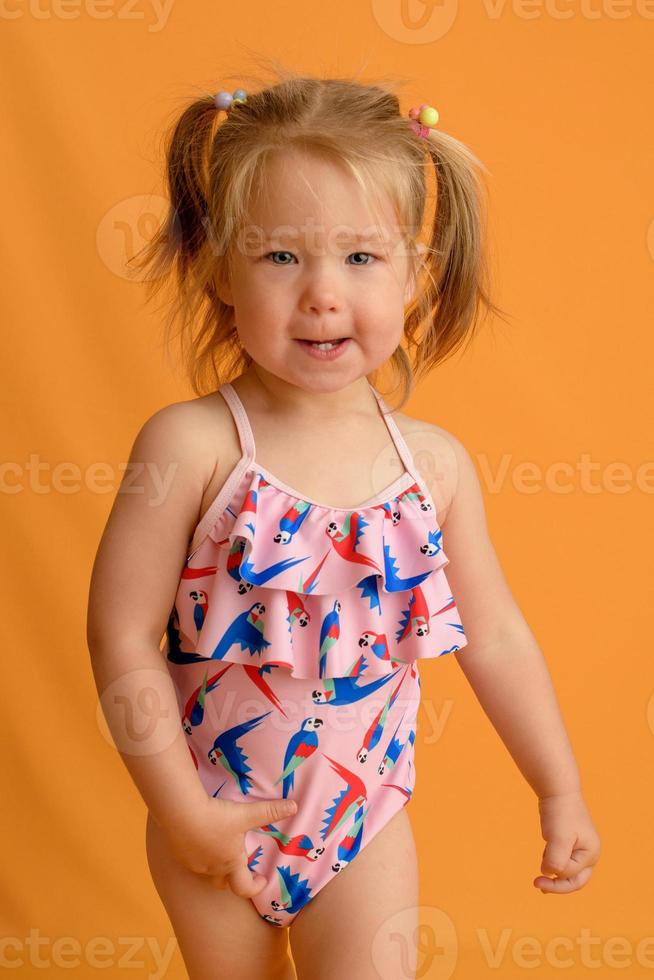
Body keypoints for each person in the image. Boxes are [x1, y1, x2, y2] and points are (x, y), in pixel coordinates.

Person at [87, 67, 601, 980]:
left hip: (362, 822)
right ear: (221, 272)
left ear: (414, 276)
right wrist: (180, 811)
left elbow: (500, 638)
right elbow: (120, 638)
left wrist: (557, 788)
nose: (324, 293)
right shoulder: (195, 445)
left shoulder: (431, 469)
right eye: (281, 256)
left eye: (361, 258)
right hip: (212, 809)